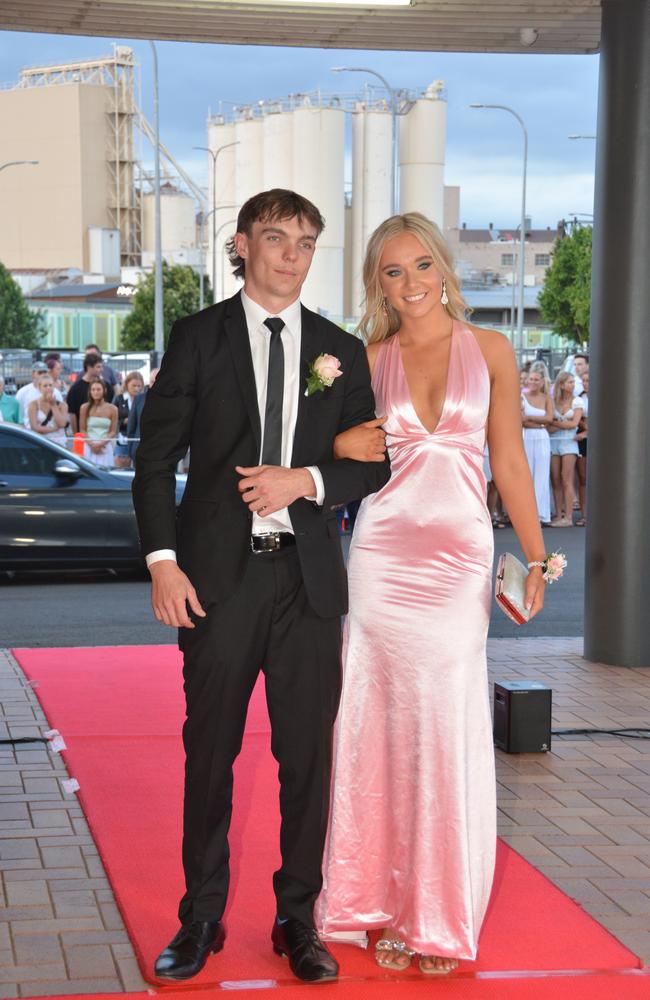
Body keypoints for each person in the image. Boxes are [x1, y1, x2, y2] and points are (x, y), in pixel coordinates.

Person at [131, 189, 390, 985]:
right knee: (207, 755)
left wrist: (303, 479)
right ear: (242, 244)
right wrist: (163, 562)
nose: (291, 255)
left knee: (305, 759)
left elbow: (369, 463)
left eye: (306, 242)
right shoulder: (197, 337)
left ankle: (297, 919)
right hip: (215, 583)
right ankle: (200, 919)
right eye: (276, 239)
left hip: (308, 584)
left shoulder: (340, 349)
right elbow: (153, 462)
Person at [316, 212, 546, 976]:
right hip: (382, 555)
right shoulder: (366, 358)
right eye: (392, 271)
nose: (411, 283)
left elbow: (508, 460)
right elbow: (334, 454)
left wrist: (538, 559)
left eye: (420, 265)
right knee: (378, 724)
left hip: (457, 559)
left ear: (444, 267)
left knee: (445, 727)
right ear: (377, 283)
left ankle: (438, 916)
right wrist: (334, 444)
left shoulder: (490, 350)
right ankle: (380, 899)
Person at [548, 370, 583, 527]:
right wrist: (556, 423)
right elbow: (548, 427)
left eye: (573, 382)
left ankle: (568, 517)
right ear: (561, 384)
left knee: (566, 478)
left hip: (569, 441)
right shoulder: (553, 401)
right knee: (555, 479)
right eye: (570, 382)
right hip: (554, 440)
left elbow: (573, 424)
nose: (573, 385)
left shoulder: (577, 401)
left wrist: (555, 422)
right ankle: (558, 514)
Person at [521, 367, 552, 524]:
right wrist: (538, 423)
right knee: (527, 474)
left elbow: (549, 418)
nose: (532, 382)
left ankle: (541, 513)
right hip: (527, 437)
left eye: (536, 379)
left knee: (541, 474)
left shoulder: (547, 398)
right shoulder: (522, 397)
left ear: (541, 382)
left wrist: (530, 419)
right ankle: (526, 514)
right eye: (531, 379)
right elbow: (520, 419)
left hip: (542, 438)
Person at [66, 353, 113, 433]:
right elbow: (72, 414)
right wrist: (76, 435)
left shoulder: (106, 386)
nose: (101, 370)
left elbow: (111, 408)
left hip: (104, 435)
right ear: (89, 367)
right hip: (84, 434)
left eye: (102, 367)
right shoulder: (76, 388)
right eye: (98, 367)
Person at [79, 377, 118, 467]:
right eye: (93, 389)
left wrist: (101, 443)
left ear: (104, 390)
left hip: (105, 446)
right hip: (88, 445)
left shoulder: (113, 409)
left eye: (98, 389)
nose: (96, 392)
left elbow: (113, 432)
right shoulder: (84, 407)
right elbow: (82, 430)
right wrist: (92, 444)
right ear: (90, 391)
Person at [16, 362, 64, 428]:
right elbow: (19, 414)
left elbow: (61, 413)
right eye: (40, 373)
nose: (42, 375)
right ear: (33, 374)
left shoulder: (56, 392)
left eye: (45, 372)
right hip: (29, 433)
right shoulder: (23, 392)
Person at [26, 373, 69, 446]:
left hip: (59, 444)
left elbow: (62, 424)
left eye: (50, 385)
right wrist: (54, 429)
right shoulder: (33, 405)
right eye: (45, 386)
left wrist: (53, 405)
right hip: (41, 443)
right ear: (39, 388)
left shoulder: (62, 405)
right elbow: (34, 427)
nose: (48, 388)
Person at [113, 371, 144, 468]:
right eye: (134, 386)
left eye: (139, 386)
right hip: (123, 437)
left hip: (139, 438)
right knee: (123, 466)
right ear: (127, 385)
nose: (137, 389)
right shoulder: (119, 399)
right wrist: (124, 421)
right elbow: (113, 418)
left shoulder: (144, 399)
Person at [126, 368, 158, 462]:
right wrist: (132, 450)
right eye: (152, 382)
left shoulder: (173, 401)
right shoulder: (139, 399)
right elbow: (131, 426)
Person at [576, 368, 589, 526]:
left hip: (602, 441)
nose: (586, 384)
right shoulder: (579, 398)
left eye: (589, 381)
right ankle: (584, 514)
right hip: (582, 441)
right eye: (584, 381)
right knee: (582, 478)